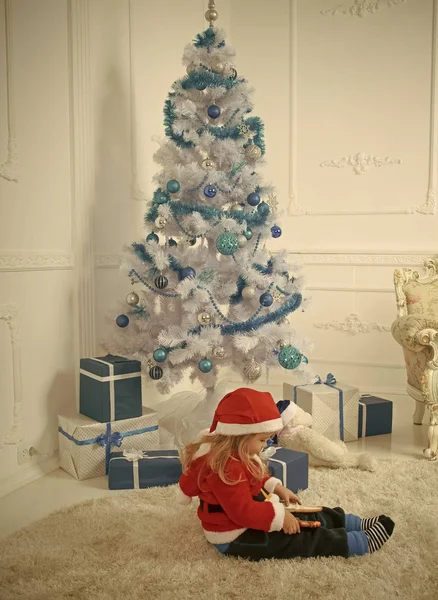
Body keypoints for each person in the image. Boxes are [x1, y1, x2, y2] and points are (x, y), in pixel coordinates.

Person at [177, 388, 394, 561]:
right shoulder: (225, 469)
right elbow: (242, 512)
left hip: (253, 511)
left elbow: (253, 478)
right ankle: (359, 542)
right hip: (235, 535)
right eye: (262, 440)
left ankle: (353, 523)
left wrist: (276, 487)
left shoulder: (238, 453)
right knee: (301, 538)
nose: (265, 445)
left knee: (306, 513)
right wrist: (280, 518)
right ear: (239, 436)